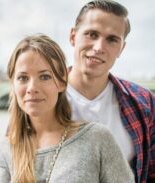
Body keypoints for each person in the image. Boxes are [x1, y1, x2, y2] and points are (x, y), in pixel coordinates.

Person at [0, 34, 135, 183]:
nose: (32, 88)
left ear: (61, 82)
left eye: (44, 76)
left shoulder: (97, 139)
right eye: (23, 78)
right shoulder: (6, 150)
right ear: (13, 85)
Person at [66, 1, 155, 182]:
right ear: (73, 37)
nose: (99, 47)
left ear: (121, 48)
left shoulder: (144, 102)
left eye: (112, 39)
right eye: (92, 34)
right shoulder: (39, 96)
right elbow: (9, 168)